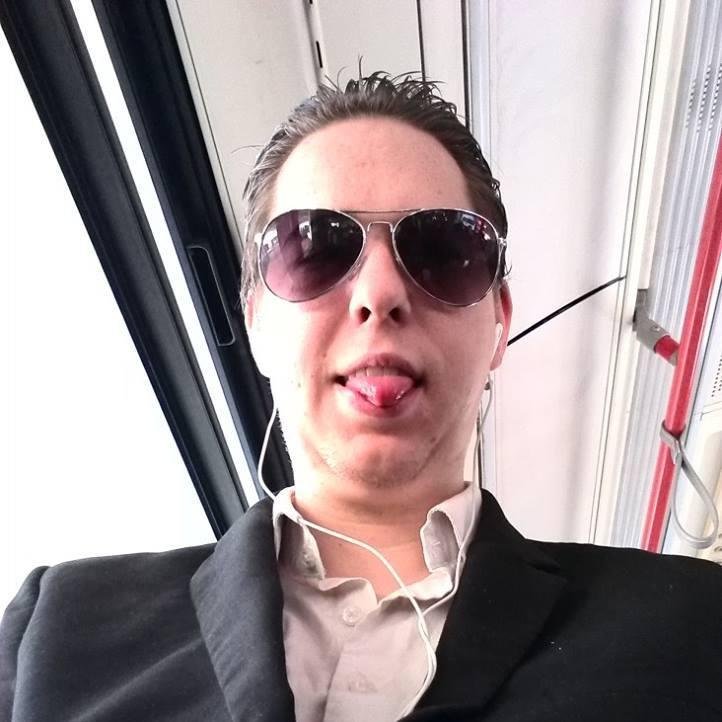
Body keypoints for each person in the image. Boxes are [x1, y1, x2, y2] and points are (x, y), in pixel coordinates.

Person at [1, 72, 721, 722]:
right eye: (314, 248)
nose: (379, 293)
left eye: (443, 249)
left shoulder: (693, 627)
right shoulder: (59, 629)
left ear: (499, 323)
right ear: (256, 322)